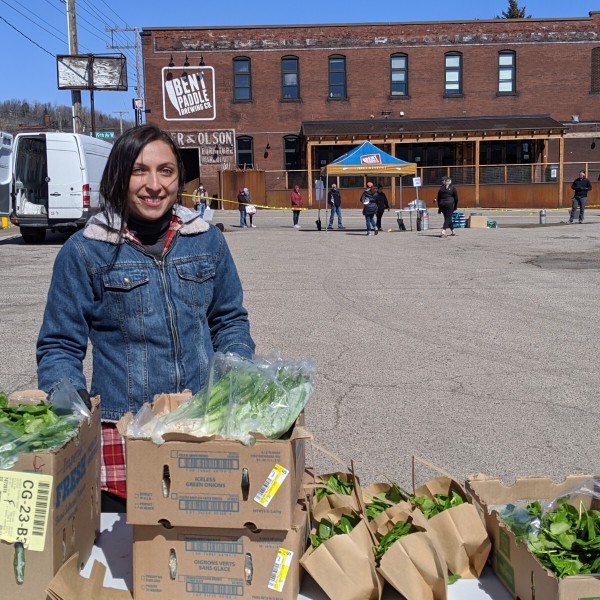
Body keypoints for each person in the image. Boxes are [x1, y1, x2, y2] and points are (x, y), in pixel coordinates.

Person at [36, 124, 255, 511]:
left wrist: (235, 372)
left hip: (202, 425)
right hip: (126, 434)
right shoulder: (85, 251)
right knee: (132, 556)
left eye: (165, 171)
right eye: (139, 170)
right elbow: (60, 344)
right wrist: (68, 400)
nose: (154, 184)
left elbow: (229, 319)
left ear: (179, 178)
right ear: (118, 176)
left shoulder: (206, 240)